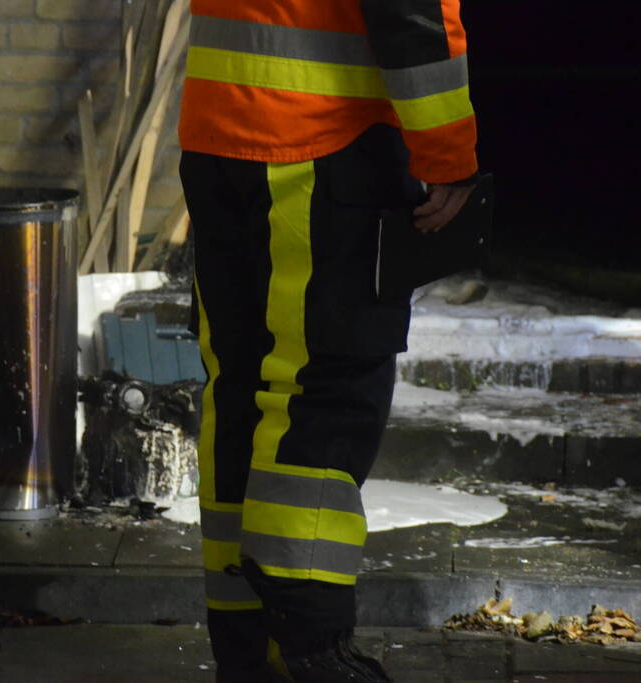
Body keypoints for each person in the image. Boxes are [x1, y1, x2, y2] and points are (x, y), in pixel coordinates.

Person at [177, 2, 479, 681]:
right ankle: (310, 644)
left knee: (239, 390)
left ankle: (247, 646)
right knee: (325, 388)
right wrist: (448, 155)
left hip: (218, 133)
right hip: (321, 144)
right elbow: (411, 10)